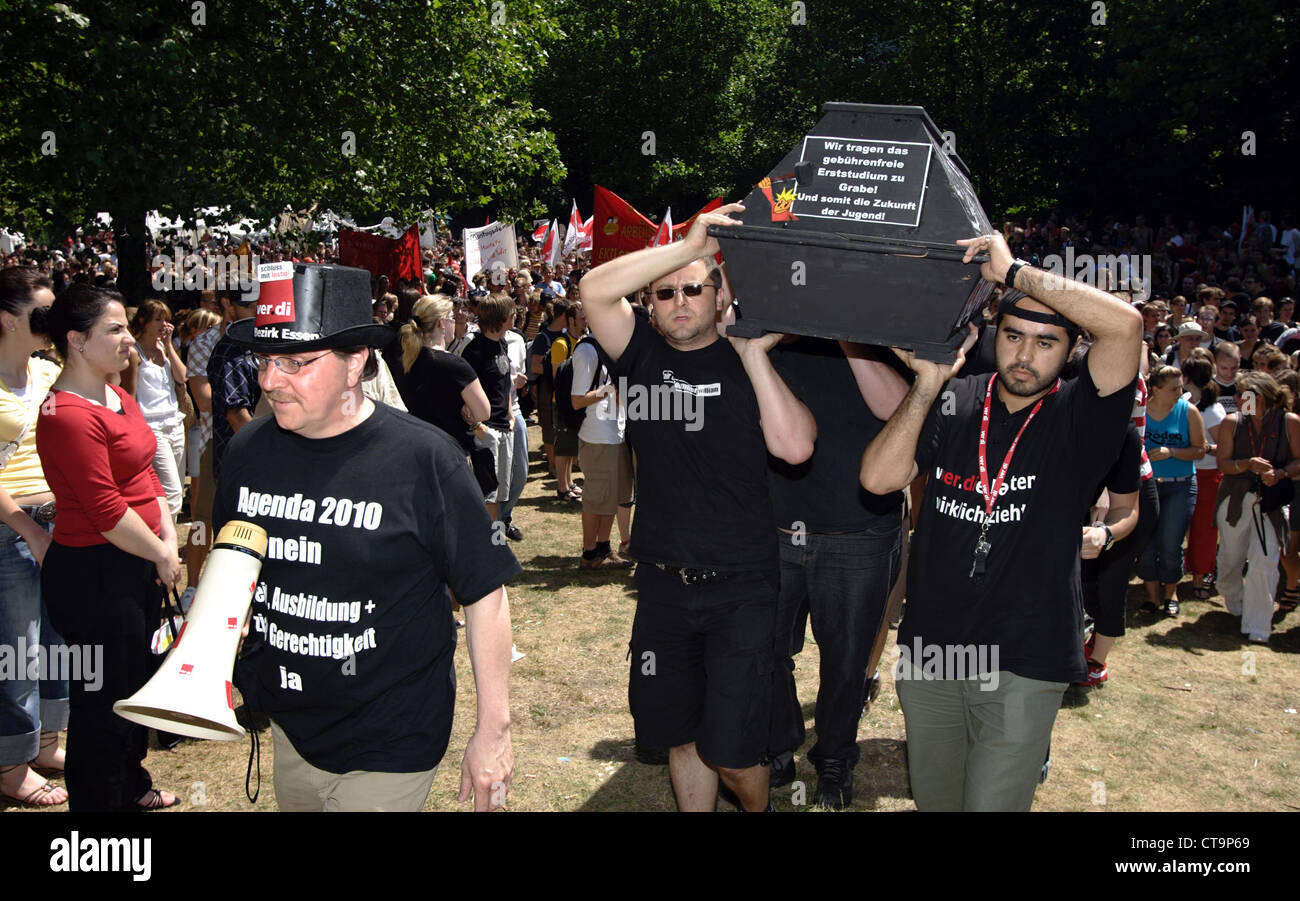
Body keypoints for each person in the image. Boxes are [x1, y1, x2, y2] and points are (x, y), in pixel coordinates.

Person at [215, 262, 519, 811]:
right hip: (290, 729)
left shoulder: (425, 460)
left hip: (392, 735)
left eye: (295, 362)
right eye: (264, 361)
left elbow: (485, 594)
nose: (268, 380)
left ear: (356, 362)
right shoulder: (248, 451)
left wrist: (493, 732)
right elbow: (232, 565)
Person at [859, 231, 1142, 811]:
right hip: (935, 648)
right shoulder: (957, 399)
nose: (1025, 355)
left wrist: (1014, 273)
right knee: (938, 801)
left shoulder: (1081, 417)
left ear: (1069, 354)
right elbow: (879, 480)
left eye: (1046, 342)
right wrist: (927, 385)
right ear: (996, 337)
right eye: (1014, 336)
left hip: (1027, 655)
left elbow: (1126, 326)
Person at [580, 201, 816, 812]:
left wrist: (754, 354)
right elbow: (595, 289)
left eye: (693, 289)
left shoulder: (753, 360)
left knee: (735, 751)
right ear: (652, 307)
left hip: (744, 586)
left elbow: (795, 447)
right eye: (664, 294)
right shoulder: (639, 359)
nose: (680, 300)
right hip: (661, 584)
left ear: (718, 295)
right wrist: (689, 247)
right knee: (679, 736)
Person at [37, 283, 182, 811]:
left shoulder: (116, 393)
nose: (128, 340)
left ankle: (130, 784)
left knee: (131, 686)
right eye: (115, 330)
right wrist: (163, 554)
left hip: (134, 562)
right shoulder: (66, 414)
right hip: (96, 575)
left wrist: (166, 535)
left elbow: (143, 477)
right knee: (102, 702)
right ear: (76, 340)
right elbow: (105, 510)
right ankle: (100, 809)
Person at [767, 337, 909, 808]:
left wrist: (849, 337)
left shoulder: (882, 334)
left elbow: (898, 409)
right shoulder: (771, 331)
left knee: (846, 664)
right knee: (766, 651)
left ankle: (834, 757)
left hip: (860, 531)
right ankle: (777, 744)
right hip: (778, 526)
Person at [0, 267, 68, 807]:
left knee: (56, 640)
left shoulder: (50, 371)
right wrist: (30, 532)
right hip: (10, 530)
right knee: (17, 648)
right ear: (5, 318)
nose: (50, 323)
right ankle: (11, 764)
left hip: (56, 521)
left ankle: (47, 741)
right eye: (40, 314)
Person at [1214, 371, 1300, 644]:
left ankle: (1258, 625)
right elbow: (1223, 465)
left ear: (1259, 397)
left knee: (1265, 560)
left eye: (1242, 394)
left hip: (1272, 502)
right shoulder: (1232, 422)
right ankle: (1234, 598)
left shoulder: (1290, 422)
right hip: (1236, 499)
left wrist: (1281, 473)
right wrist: (1247, 463)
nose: (1237, 399)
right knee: (1230, 558)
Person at [1136, 365, 1206, 615]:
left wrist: (1172, 452)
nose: (1180, 391)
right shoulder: (1139, 410)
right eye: (1174, 388)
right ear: (1155, 389)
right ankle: (1151, 597)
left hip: (1180, 485)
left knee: (1169, 543)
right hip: (1146, 486)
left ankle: (1171, 593)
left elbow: (1201, 449)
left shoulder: (1188, 412)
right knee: (1145, 544)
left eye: (1181, 386)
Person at [569, 332, 634, 568]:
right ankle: (589, 554)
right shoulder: (587, 351)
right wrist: (609, 389)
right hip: (596, 436)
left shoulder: (612, 350)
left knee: (613, 496)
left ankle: (604, 549)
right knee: (597, 499)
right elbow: (577, 400)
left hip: (615, 433)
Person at [397, 293, 490, 454]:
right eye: (452, 317)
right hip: (452, 451)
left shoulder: (406, 361)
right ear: (441, 323)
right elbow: (483, 412)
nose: (454, 321)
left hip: (418, 449)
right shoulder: (455, 365)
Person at [121, 300, 188, 520]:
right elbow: (128, 394)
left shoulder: (164, 348)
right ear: (143, 321)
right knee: (173, 491)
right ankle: (162, 543)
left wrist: (168, 346)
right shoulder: (133, 353)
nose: (163, 324)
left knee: (174, 486)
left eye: (166, 319)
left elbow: (182, 377)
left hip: (175, 423)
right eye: (158, 319)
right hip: (151, 426)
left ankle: (162, 540)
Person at [458, 293, 519, 522]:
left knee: (500, 492)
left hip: (505, 427)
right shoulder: (474, 352)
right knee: (488, 494)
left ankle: (495, 542)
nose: (515, 315)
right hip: (486, 431)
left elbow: (503, 386)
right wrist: (478, 427)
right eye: (511, 312)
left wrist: (511, 414)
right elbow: (463, 397)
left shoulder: (502, 342)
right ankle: (490, 546)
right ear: (500, 318)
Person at [1181, 355, 1226, 599]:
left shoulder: (1214, 411)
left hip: (1208, 476)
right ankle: (1191, 568)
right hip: (1187, 473)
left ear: (1187, 378)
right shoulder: (1186, 403)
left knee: (1204, 530)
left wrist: (1202, 447)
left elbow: (1226, 448)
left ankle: (1200, 578)